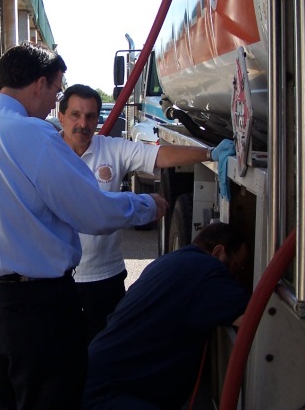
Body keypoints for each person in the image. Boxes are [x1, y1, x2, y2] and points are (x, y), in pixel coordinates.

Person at [0, 43, 168, 410]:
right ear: (39, 84)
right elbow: (91, 210)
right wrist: (145, 206)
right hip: (32, 307)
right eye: (57, 91)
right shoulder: (32, 135)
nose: (53, 105)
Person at [57, 84, 221, 342]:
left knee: (105, 355)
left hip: (105, 276)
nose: (83, 123)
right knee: (62, 358)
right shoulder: (47, 154)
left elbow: (160, 155)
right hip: (57, 279)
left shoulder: (111, 148)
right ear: (61, 116)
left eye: (90, 116)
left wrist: (210, 153)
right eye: (75, 115)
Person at [82, 221, 250, 409]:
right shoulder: (207, 270)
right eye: (238, 267)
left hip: (97, 380)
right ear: (218, 252)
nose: (236, 277)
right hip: (111, 395)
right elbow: (254, 319)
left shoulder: (170, 262)